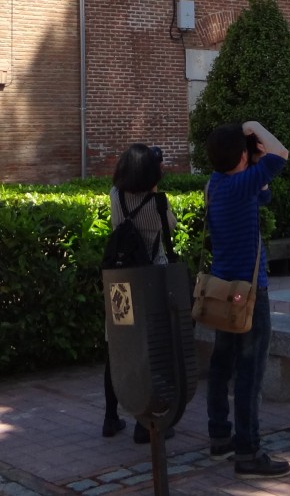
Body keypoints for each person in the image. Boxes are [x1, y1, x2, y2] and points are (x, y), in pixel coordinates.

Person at [205, 120, 290, 478]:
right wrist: (253, 126)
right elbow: (282, 154)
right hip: (251, 292)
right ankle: (248, 450)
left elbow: (264, 191)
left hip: (222, 291)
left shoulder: (216, 184)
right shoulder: (242, 185)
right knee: (250, 373)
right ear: (242, 155)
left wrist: (250, 159)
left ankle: (220, 437)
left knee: (221, 364)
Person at [101, 143, 178, 444]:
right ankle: (145, 423)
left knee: (117, 346)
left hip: (120, 281)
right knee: (151, 350)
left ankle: (111, 417)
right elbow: (168, 229)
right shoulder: (157, 203)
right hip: (150, 280)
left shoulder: (115, 196)